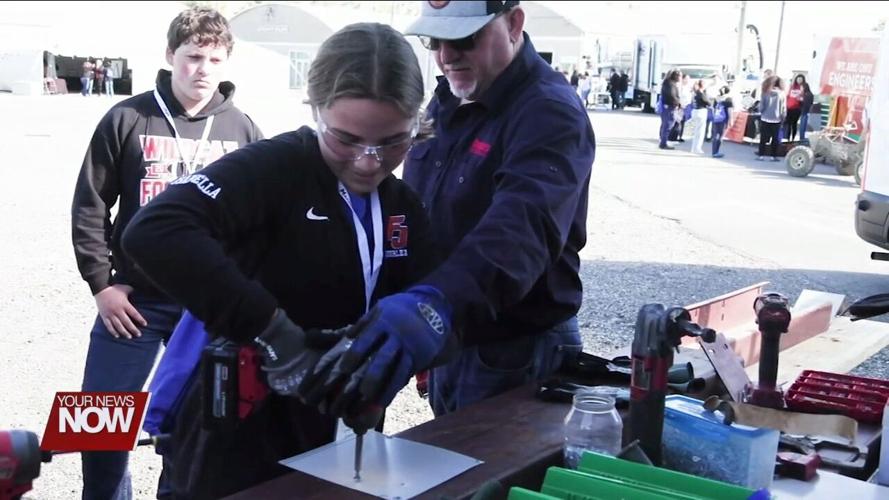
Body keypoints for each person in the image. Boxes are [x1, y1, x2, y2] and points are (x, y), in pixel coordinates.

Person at [121, 22, 437, 499]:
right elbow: (154, 230)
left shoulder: (401, 206)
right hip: (233, 433)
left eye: (393, 141)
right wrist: (274, 332)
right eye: (347, 139)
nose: (369, 161)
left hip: (333, 433)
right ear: (315, 109)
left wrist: (393, 358)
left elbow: (435, 298)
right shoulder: (276, 168)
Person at [304, 0, 594, 419]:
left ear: (514, 23)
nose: (446, 55)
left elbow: (522, 229)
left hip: (515, 348)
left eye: (464, 38)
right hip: (450, 332)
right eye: (435, 40)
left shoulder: (547, 112)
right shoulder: (448, 102)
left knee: (489, 480)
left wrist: (434, 304)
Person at [70, 7, 262, 499]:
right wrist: (102, 285)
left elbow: (261, 224)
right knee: (100, 424)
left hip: (206, 310)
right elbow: (91, 206)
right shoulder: (127, 117)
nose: (202, 69)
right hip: (134, 303)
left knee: (194, 425)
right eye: (193, 56)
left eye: (214, 59)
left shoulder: (242, 131)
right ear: (170, 55)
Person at [757, 75, 786, 161]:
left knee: (763, 138)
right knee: (775, 139)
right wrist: (783, 117)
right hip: (776, 119)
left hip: (765, 118)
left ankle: (761, 155)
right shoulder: (782, 94)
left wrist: (761, 112)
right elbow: (783, 108)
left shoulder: (765, 92)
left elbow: (761, 106)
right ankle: (773, 156)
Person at [659, 69, 682, 150]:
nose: (680, 78)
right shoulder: (670, 84)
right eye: (679, 76)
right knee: (668, 125)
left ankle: (663, 142)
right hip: (669, 107)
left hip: (668, 107)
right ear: (674, 76)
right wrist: (678, 103)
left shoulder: (669, 83)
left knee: (667, 125)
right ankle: (663, 143)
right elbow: (672, 95)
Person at [710, 86, 734, 158]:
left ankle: (714, 151)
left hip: (716, 119)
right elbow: (730, 111)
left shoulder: (716, 99)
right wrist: (731, 120)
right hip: (723, 120)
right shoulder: (728, 100)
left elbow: (713, 109)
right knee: (720, 136)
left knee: (715, 135)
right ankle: (716, 152)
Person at [690, 79, 711, 155]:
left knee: (696, 131)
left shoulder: (695, 93)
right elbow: (708, 102)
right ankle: (697, 148)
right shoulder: (701, 93)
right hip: (701, 111)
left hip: (695, 111)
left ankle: (693, 148)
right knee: (700, 132)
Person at [785, 74, 806, 141]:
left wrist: (801, 94)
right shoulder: (792, 87)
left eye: (801, 79)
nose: (799, 80)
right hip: (789, 107)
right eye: (798, 79)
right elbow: (787, 96)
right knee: (788, 123)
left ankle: (793, 138)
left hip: (797, 108)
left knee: (794, 124)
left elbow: (804, 98)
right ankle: (787, 138)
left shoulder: (803, 87)